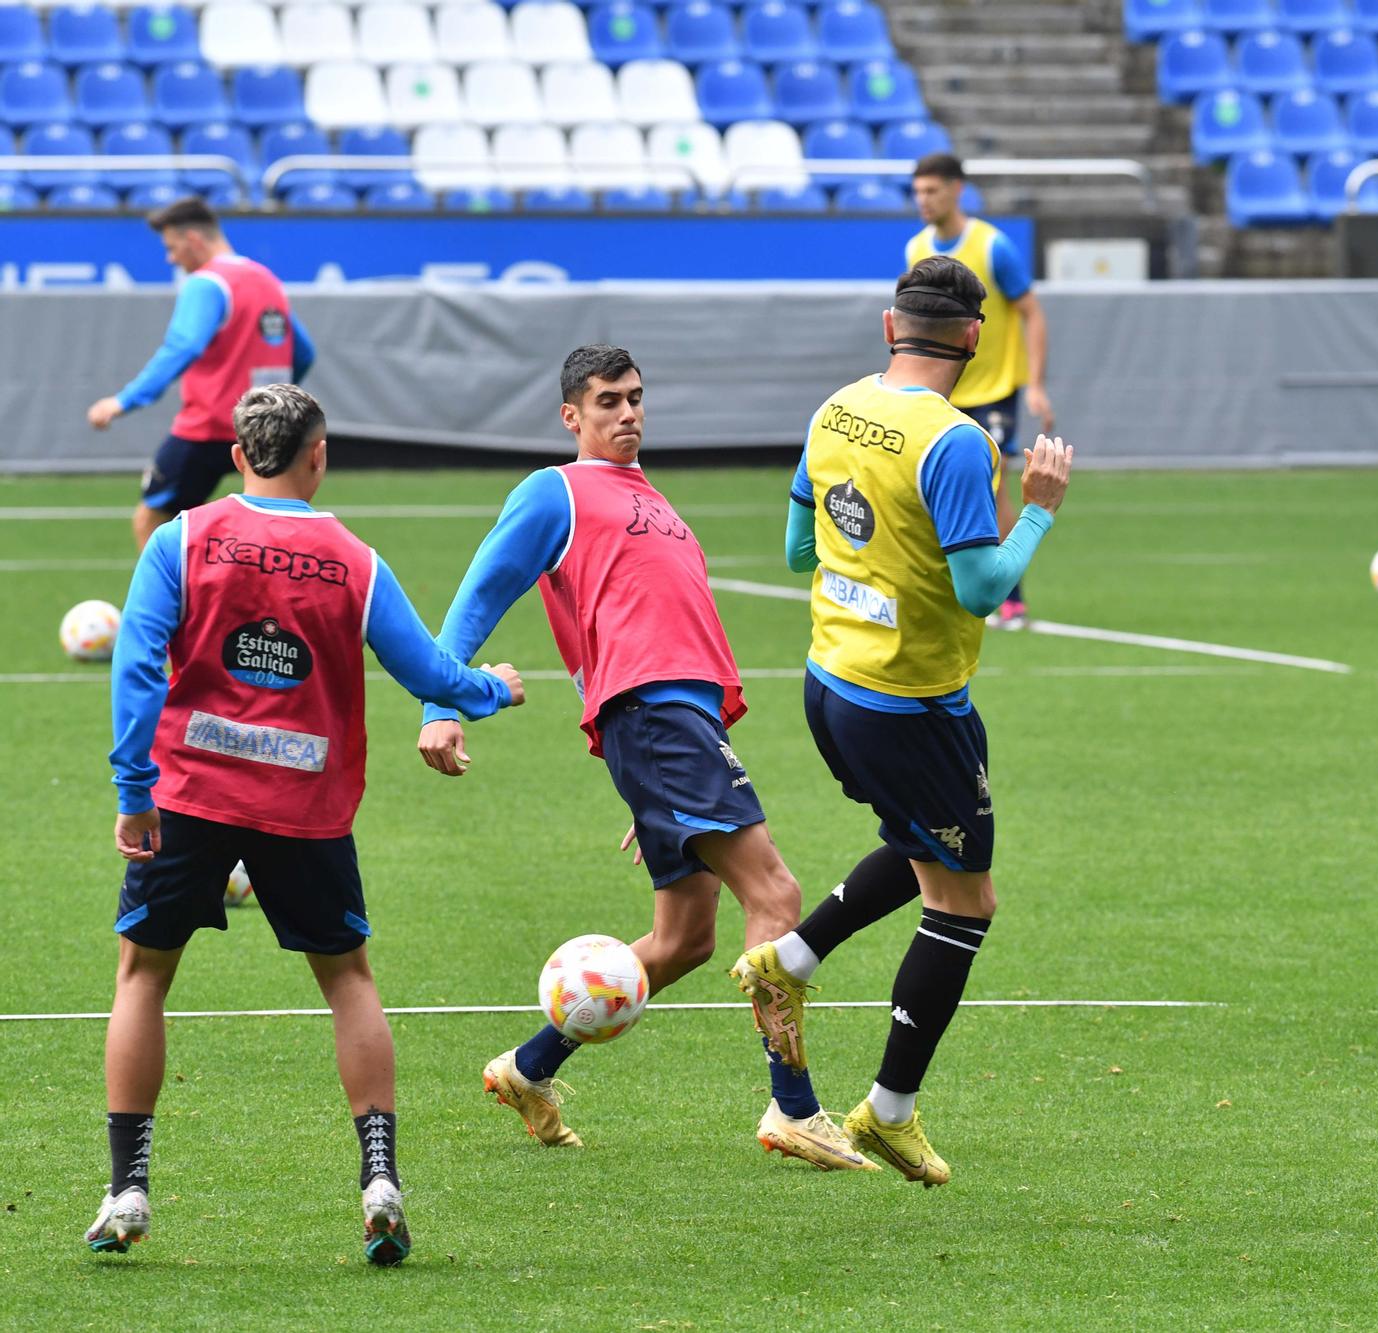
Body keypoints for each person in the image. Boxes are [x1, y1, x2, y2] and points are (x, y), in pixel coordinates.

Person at [414, 345, 872, 1173]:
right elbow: (480, 591)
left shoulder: (654, 500)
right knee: (776, 894)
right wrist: (442, 701)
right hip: (657, 719)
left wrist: (644, 787)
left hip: (674, 728)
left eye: (635, 398)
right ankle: (794, 1107)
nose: (627, 413)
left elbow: (623, 630)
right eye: (607, 402)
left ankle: (527, 1067)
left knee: (686, 938)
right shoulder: (554, 490)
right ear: (571, 416)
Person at [95, 384, 524, 1263]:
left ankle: (128, 1189)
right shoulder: (354, 560)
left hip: (191, 795)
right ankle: (380, 1180)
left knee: (143, 976)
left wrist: (135, 789)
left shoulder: (182, 538)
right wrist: (492, 690)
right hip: (306, 806)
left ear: (238, 454)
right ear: (318, 455)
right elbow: (427, 670)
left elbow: (137, 664)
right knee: (348, 980)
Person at [731, 256, 1072, 1185]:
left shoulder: (833, 409)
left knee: (921, 844)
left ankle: (788, 961)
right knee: (965, 901)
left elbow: (802, 545)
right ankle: (888, 1111)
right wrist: (1037, 513)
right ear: (975, 337)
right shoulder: (958, 441)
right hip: (909, 703)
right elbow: (980, 589)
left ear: (890, 327)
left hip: (829, 684)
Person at [87, 197, 316, 554]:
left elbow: (182, 347)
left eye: (172, 248)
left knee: (153, 521)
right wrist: (271, 401)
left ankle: (168, 610)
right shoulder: (265, 280)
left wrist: (123, 401)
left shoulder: (207, 283)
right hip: (266, 430)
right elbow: (303, 352)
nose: (171, 259)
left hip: (209, 428)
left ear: (193, 239)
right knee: (261, 533)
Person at [906, 153, 1052, 630]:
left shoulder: (992, 247)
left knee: (993, 484)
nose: (924, 200)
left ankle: (1009, 594)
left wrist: (1035, 384)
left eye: (932, 191)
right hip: (938, 387)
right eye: (918, 191)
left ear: (956, 190)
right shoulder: (917, 248)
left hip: (991, 387)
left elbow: (1032, 312)